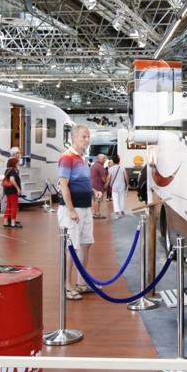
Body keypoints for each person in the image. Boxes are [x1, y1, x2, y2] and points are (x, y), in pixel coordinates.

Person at [58, 125, 94, 300]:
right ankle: (67, 285)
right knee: (71, 247)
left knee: (86, 244)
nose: (87, 140)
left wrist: (94, 191)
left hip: (86, 207)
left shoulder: (82, 158)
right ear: (74, 138)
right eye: (83, 137)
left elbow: (82, 181)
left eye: (88, 137)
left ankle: (82, 283)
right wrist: (71, 210)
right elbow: (63, 184)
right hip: (72, 209)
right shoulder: (67, 157)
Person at [2, 157, 22, 228]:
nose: (17, 164)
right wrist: (18, 188)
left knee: (8, 206)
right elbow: (12, 179)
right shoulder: (13, 171)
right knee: (14, 207)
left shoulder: (7, 170)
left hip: (7, 190)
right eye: (17, 163)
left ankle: (5, 222)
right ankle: (13, 223)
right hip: (13, 191)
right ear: (14, 163)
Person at [90, 153, 109, 220]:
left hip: (92, 184)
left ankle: (95, 213)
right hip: (98, 185)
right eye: (103, 158)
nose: (104, 159)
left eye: (105, 158)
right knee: (97, 200)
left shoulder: (93, 165)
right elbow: (103, 178)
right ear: (98, 158)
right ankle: (97, 213)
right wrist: (106, 183)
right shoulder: (100, 166)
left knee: (95, 200)